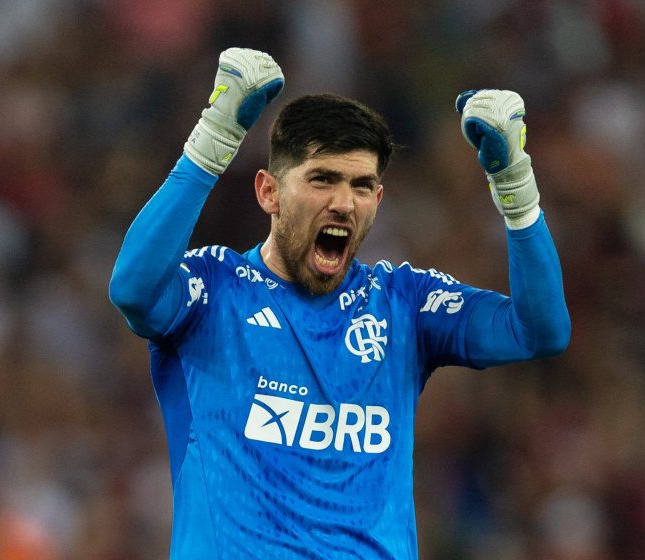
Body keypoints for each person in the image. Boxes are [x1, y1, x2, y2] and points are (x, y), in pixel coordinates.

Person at [109, 48, 570, 559]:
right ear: (269, 192)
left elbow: (539, 331)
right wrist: (214, 136)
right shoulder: (216, 289)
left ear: (378, 200)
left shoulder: (403, 303)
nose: (344, 203)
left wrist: (514, 183)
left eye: (362, 186)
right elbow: (134, 290)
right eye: (322, 179)